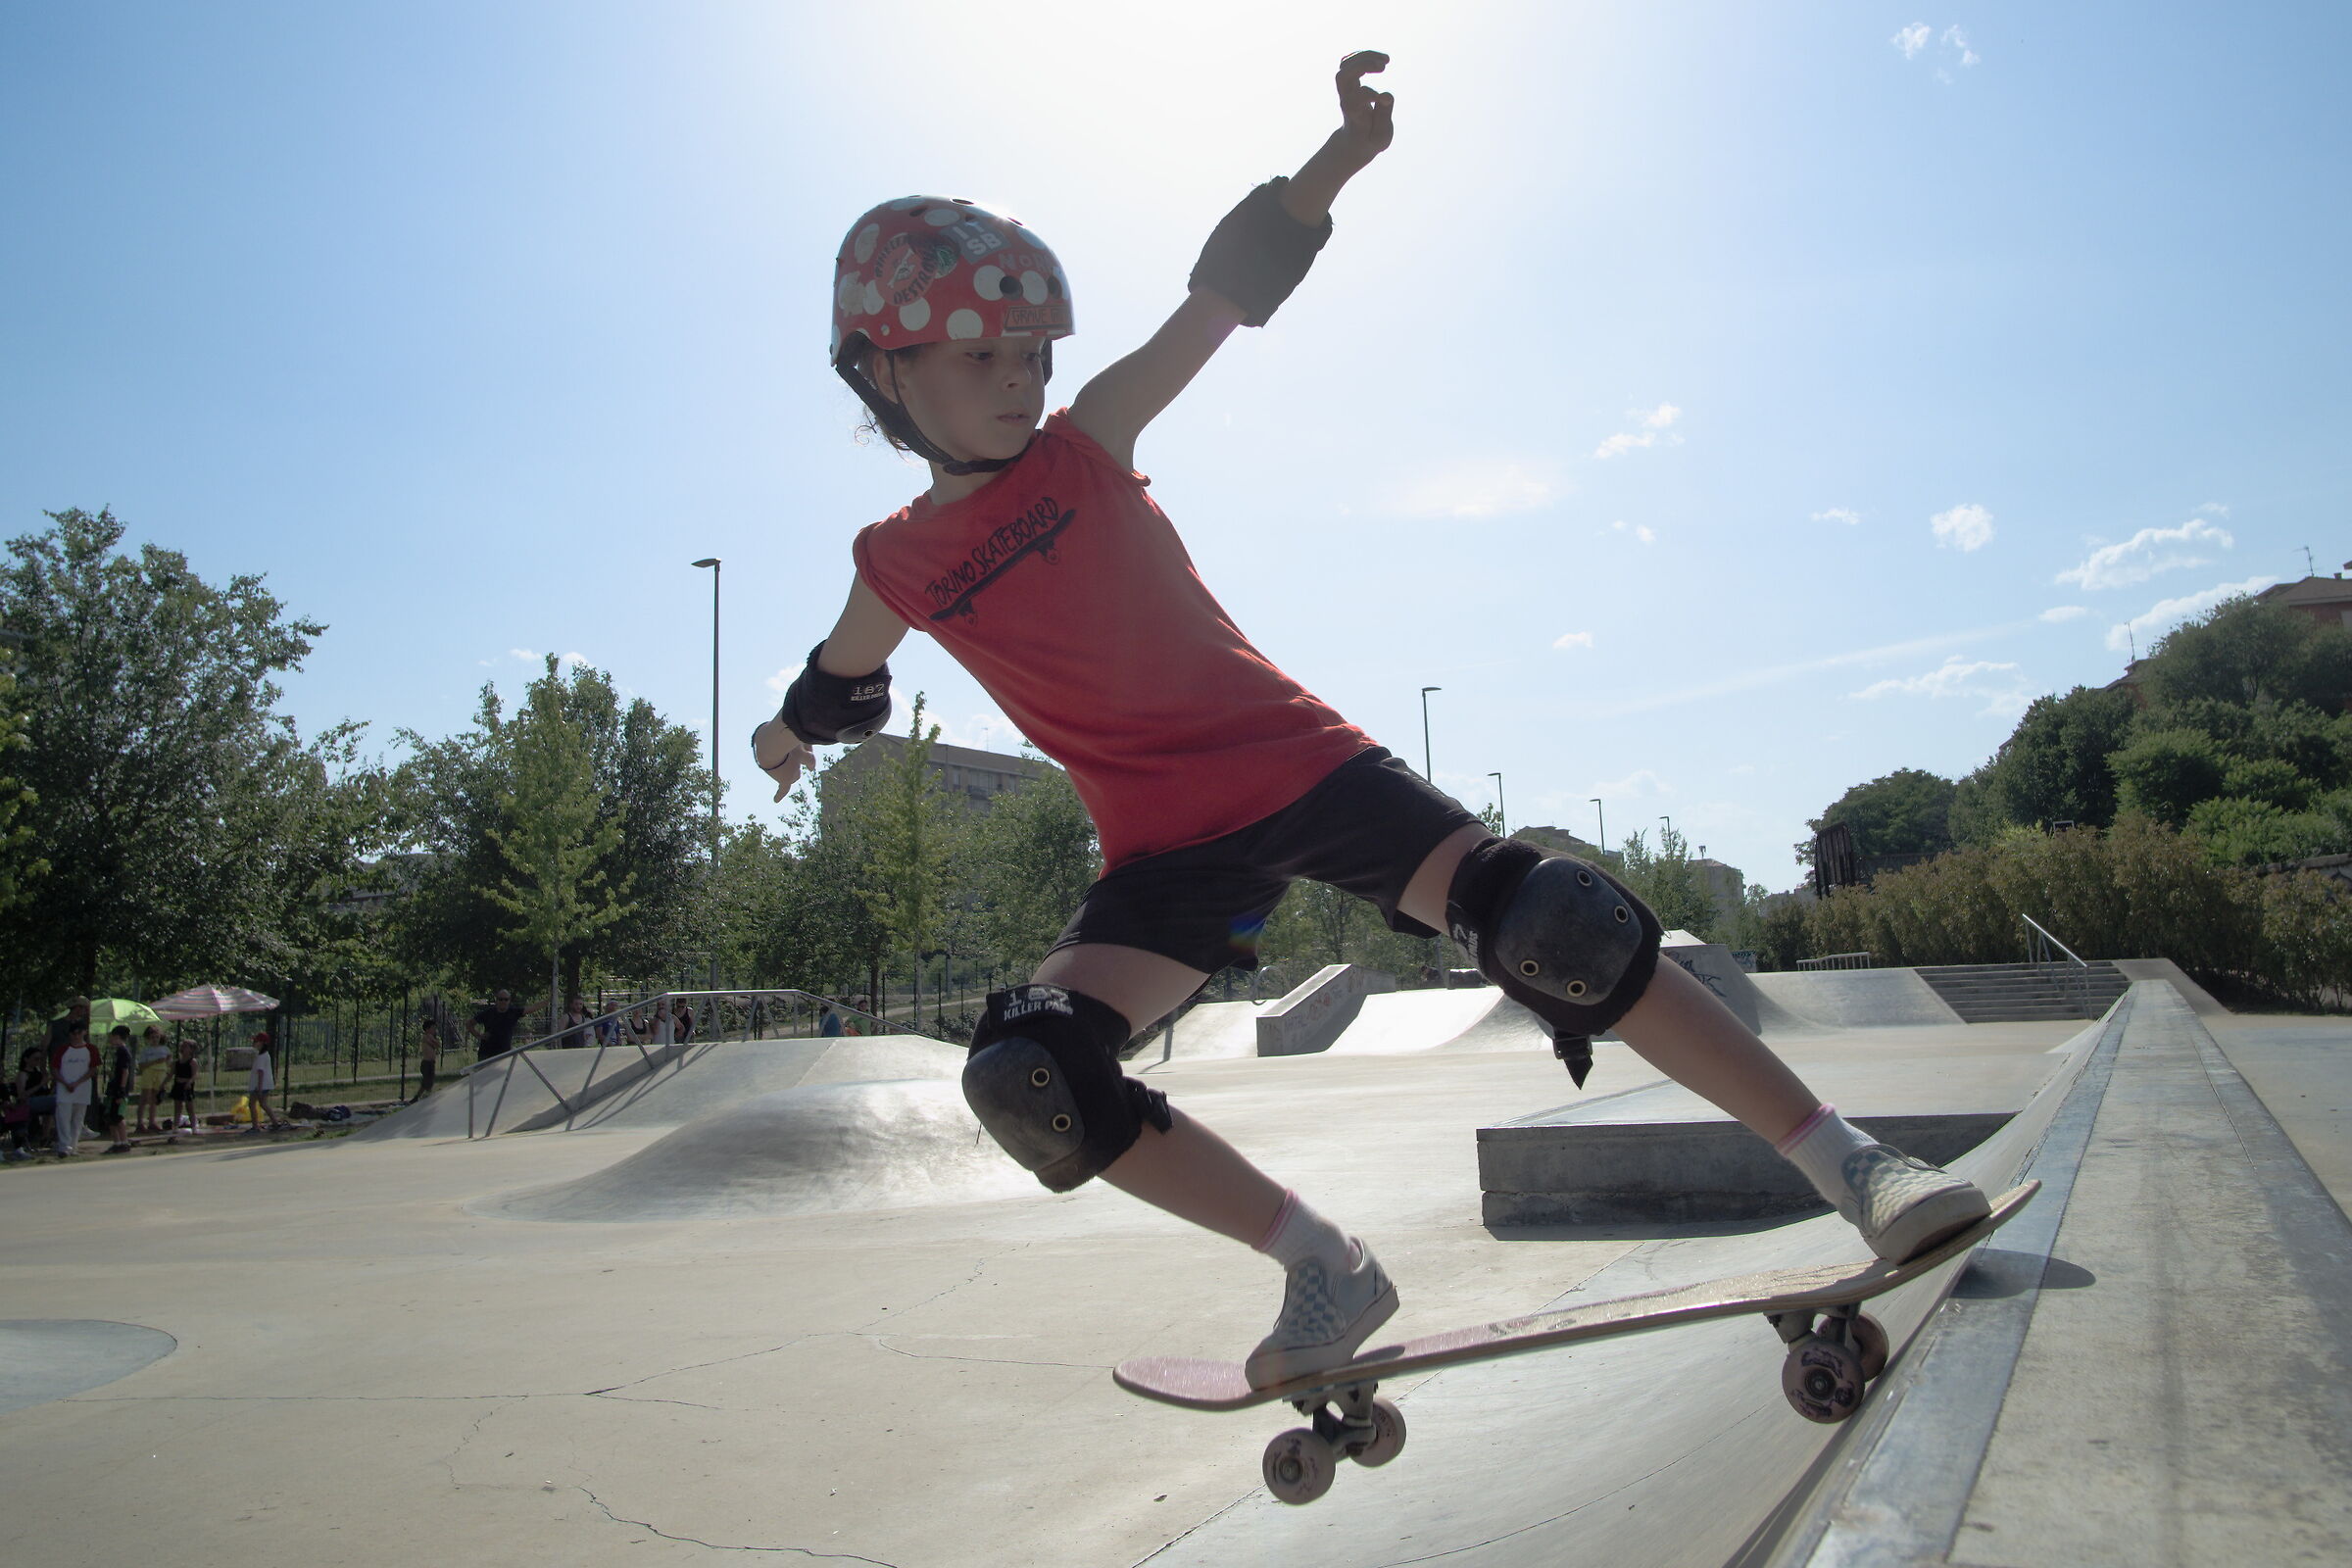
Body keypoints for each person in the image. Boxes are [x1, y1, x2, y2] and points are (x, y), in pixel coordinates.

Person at [751, 54, 1991, 1391]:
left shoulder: (1087, 440)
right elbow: (843, 674)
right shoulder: (896, 560)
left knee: (1552, 924)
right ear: (884, 375)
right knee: (1026, 1072)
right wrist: (788, 736)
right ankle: (1321, 1265)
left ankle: (1851, 1163)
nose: (1021, 381)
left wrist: (1338, 159)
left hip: (1302, 768)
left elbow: (1220, 298)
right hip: (1163, 858)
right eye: (982, 358)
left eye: (1034, 355)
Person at [49, 1022, 95, 1156]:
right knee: (63, 1118)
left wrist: (77, 1083)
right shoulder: (62, 1050)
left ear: (84, 1033)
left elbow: (93, 1069)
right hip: (65, 1089)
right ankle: (64, 1146)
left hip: (82, 1089)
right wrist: (65, 1083)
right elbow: (55, 1069)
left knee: (78, 1119)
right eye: (73, 1033)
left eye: (78, 1033)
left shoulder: (91, 1049)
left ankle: (73, 1146)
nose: (76, 1036)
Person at [98, 1023, 135, 1153]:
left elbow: (125, 1071)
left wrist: (121, 1090)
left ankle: (123, 1142)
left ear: (118, 1037)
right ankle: (117, 1142)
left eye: (112, 1037)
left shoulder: (123, 1052)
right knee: (110, 1117)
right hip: (113, 1088)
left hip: (118, 1090)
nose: (110, 1039)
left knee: (117, 1117)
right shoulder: (117, 1052)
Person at [467, 990, 526, 1061]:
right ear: (496, 1000)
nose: (503, 1002)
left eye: (506, 999)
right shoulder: (488, 1013)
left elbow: (532, 1008)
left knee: (503, 1072)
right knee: (485, 1072)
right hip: (486, 1054)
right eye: (500, 999)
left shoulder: (513, 1012)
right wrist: (478, 1035)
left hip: (504, 1053)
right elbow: (469, 1023)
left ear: (509, 1000)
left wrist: (544, 1003)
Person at [244, 1031, 284, 1133]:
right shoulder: (263, 1055)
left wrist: (259, 1088)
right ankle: (275, 1123)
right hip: (263, 1085)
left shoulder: (262, 1057)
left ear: (262, 1043)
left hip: (260, 1086)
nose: (254, 1042)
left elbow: (261, 1073)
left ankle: (255, 1126)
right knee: (263, 1104)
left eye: (256, 1041)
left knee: (252, 1104)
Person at [134, 1024, 172, 1135]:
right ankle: (140, 1123)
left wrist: (167, 1063)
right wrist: (155, 1062)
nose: (155, 1039)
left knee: (154, 1099)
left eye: (157, 1037)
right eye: (152, 1037)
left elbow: (169, 1061)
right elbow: (141, 1066)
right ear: (148, 1039)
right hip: (149, 1073)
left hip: (161, 1073)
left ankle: (152, 1122)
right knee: (144, 1098)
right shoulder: (146, 1050)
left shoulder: (165, 1049)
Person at [169, 1037, 199, 1133]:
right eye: (182, 1046)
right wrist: (163, 1084)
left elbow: (194, 1075)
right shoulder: (177, 1062)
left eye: (186, 1046)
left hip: (187, 1086)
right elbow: (170, 1074)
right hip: (178, 1085)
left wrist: (189, 1082)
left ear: (191, 1049)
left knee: (189, 1107)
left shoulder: (192, 1062)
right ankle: (175, 1127)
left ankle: (194, 1127)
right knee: (177, 1107)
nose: (183, 1048)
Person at [414, 1013, 443, 1100]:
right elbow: (434, 1044)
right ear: (427, 1029)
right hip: (426, 1063)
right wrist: (434, 1042)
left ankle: (425, 1096)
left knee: (430, 1081)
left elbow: (438, 1045)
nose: (435, 1030)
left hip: (431, 1062)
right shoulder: (425, 1037)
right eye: (433, 1028)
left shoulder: (431, 1037)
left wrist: (434, 1042)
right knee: (426, 1081)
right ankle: (418, 1097)